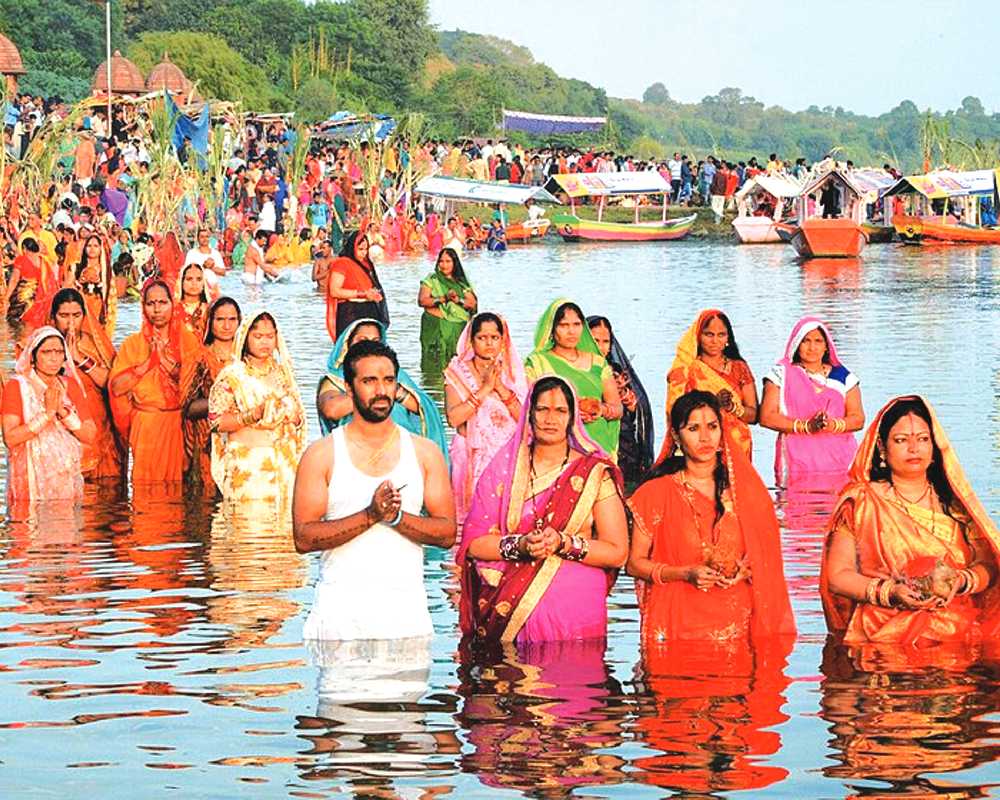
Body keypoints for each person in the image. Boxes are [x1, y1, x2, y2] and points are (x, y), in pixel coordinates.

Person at [293, 338, 455, 642]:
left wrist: (396, 518)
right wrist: (369, 515)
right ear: (349, 388)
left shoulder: (424, 453)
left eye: (389, 380)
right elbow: (303, 538)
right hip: (338, 624)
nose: (381, 390)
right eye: (369, 381)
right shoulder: (322, 454)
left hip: (406, 623)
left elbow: (447, 533)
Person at [457, 375, 628, 646]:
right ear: (529, 414)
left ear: (572, 418)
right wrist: (520, 546)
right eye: (542, 409)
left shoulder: (594, 473)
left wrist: (564, 543)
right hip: (507, 608)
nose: (551, 419)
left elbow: (617, 552)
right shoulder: (502, 470)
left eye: (560, 410)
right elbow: (473, 545)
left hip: (575, 615)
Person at [821, 396, 1000, 647]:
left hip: (959, 631)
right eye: (901, 440)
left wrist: (960, 581)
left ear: (934, 447)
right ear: (882, 448)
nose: (914, 448)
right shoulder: (862, 502)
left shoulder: (956, 505)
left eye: (923, 439)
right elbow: (838, 576)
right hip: (883, 634)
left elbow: (990, 566)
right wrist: (891, 593)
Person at [627, 390, 796, 646]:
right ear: (676, 437)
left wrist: (746, 569)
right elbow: (634, 564)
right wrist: (684, 573)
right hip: (675, 626)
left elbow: (768, 560)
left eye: (712, 427)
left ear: (722, 433)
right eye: (693, 428)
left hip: (736, 627)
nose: (705, 437)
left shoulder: (747, 493)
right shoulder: (654, 493)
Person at [209, 311, 305, 509]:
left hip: (283, 468)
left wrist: (293, 417)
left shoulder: (283, 373)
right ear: (245, 338)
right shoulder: (233, 376)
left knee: (282, 532)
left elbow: (300, 418)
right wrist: (254, 414)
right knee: (248, 530)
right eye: (258, 336)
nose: (265, 342)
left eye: (270, 336)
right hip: (248, 468)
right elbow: (217, 423)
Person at [108, 278, 200, 484]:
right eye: (151, 304)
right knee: (144, 488)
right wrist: (147, 364)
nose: (157, 309)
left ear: (172, 304)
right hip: (146, 425)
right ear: (143, 307)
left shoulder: (188, 341)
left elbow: (194, 386)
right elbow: (116, 387)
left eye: (162, 303)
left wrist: (166, 363)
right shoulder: (133, 344)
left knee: (177, 491)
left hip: (178, 424)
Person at [317, 318, 448, 457]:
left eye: (375, 340)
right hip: (356, 450)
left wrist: (395, 392)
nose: (369, 344)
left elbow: (424, 408)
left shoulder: (398, 375)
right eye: (362, 340)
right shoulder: (336, 378)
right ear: (347, 344)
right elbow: (331, 410)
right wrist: (375, 395)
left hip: (400, 448)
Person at [759, 316, 864, 484]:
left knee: (841, 508)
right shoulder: (781, 374)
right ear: (796, 344)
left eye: (818, 341)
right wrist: (806, 427)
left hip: (841, 461)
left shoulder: (843, 376)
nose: (812, 347)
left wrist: (832, 425)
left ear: (826, 347)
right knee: (796, 508)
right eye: (805, 341)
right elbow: (766, 417)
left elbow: (858, 419)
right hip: (796, 461)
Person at [444, 312, 527, 526]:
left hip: (506, 456)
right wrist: (485, 389)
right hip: (470, 455)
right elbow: (453, 418)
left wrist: (500, 388)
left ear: (503, 340)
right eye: (482, 338)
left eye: (495, 337)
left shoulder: (512, 372)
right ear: (472, 341)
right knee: (469, 521)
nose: (489, 343)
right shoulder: (457, 372)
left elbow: (524, 419)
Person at [2, 326, 96, 507]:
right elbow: (10, 438)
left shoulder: (70, 386)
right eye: (47, 352)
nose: (54, 358)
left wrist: (63, 412)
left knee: (65, 530)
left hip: (65, 479)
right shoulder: (17, 387)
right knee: (30, 530)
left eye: (59, 352)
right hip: (30, 483)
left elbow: (89, 434)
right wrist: (47, 415)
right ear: (33, 356)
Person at [525, 299, 622, 460]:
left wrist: (601, 410)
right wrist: (572, 411)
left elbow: (617, 408)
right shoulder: (537, 363)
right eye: (564, 325)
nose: (571, 331)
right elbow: (529, 407)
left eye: (576, 324)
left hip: (598, 443)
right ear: (551, 329)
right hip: (558, 445)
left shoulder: (598, 362)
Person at [660, 309, 757, 461]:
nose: (715, 341)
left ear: (728, 337)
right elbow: (677, 412)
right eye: (709, 334)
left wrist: (733, 407)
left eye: (721, 335)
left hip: (738, 445)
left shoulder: (739, 367)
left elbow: (754, 415)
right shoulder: (687, 369)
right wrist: (712, 403)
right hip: (699, 444)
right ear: (698, 336)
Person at [49, 287, 124, 481]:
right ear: (53, 317)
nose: (71, 322)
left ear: (85, 315)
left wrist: (78, 358)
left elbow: (112, 384)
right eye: (64, 315)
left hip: (99, 430)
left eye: (76, 315)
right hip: (59, 430)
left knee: (101, 493)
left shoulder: (96, 344)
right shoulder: (43, 346)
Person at [181, 297, 241, 496]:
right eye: (220, 319)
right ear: (210, 322)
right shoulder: (200, 357)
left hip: (242, 440)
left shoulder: (247, 358)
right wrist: (222, 402)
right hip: (209, 441)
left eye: (232, 319)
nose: (226, 326)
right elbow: (188, 408)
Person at [587, 315, 654, 486]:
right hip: (592, 437)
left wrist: (626, 398)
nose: (601, 347)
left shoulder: (615, 369)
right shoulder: (577, 371)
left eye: (606, 341)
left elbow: (634, 409)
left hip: (623, 439)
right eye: (595, 340)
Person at [418, 247, 477, 376]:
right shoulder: (431, 279)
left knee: (458, 365)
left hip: (458, 328)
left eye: (448, 261)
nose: (444, 265)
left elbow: (472, 304)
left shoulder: (461, 282)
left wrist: (458, 300)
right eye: (441, 261)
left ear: (454, 263)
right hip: (436, 327)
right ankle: (433, 388)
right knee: (434, 364)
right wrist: (444, 298)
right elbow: (422, 301)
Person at [324, 231, 389, 342]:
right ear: (352, 247)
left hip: (369, 313)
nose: (364, 253)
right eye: (360, 249)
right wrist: (363, 294)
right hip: (351, 314)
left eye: (366, 249)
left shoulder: (366, 265)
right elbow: (334, 291)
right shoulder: (341, 263)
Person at [66, 233, 117, 338]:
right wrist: (79, 283)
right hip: (79, 310)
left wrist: (99, 284)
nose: (92, 249)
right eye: (89, 246)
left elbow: (111, 296)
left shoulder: (106, 271)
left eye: (96, 246)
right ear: (84, 248)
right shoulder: (76, 267)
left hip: (98, 311)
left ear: (100, 249)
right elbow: (66, 289)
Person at [174, 262, 209, 339]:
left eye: (199, 279)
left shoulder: (210, 310)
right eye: (189, 279)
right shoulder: (173, 310)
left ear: (203, 284)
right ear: (181, 282)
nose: (194, 283)